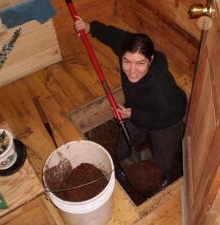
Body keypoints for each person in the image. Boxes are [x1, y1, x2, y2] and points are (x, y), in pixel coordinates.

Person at [75, 18, 187, 187]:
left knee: (163, 158)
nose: (132, 70)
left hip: (166, 121)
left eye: (140, 63)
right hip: (136, 109)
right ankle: (121, 166)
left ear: (151, 59)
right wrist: (90, 27)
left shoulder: (161, 86)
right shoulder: (127, 48)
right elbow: (113, 35)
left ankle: (162, 179)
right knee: (122, 147)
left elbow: (167, 116)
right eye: (126, 62)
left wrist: (134, 113)